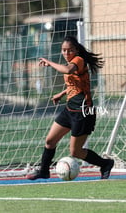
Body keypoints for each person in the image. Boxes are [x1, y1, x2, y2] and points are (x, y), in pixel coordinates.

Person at [26, 36, 114, 180]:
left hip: (83, 112)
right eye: (64, 50)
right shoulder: (72, 61)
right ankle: (43, 171)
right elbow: (77, 84)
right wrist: (61, 93)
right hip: (70, 109)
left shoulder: (78, 60)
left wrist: (48, 62)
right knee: (50, 141)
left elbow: (67, 70)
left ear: (76, 50)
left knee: (76, 151)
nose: (66, 53)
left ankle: (105, 163)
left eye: (70, 50)